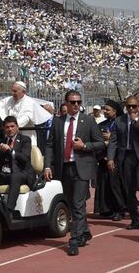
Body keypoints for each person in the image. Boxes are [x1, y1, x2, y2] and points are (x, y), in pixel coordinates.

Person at [44, 90, 104, 256]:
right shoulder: (58, 122)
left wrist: (84, 146)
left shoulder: (89, 121)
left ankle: (74, 240)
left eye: (78, 102)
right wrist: (47, 166)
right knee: (72, 205)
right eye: (73, 102)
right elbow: (50, 145)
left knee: (77, 205)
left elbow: (100, 143)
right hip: (64, 168)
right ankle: (84, 231)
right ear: (66, 103)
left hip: (82, 168)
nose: (76, 105)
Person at [107, 96, 139, 232]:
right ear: (125, 107)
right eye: (129, 106)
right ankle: (135, 220)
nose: (131, 109)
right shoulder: (119, 121)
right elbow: (113, 141)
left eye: (134, 106)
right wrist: (110, 158)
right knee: (129, 190)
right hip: (126, 157)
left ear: (138, 106)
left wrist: (136, 121)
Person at [0, 116, 36, 212]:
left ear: (17, 127)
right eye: (7, 127)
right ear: (4, 129)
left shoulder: (25, 139)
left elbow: (25, 158)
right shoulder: (2, 142)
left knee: (15, 177)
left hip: (23, 172)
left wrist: (10, 150)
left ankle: (9, 210)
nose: (10, 129)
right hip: (6, 172)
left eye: (12, 126)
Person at [0, 81, 50, 146]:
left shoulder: (29, 102)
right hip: (11, 137)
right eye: (12, 91)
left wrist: (13, 126)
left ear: (23, 92)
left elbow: (26, 118)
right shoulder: (9, 100)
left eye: (15, 91)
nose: (12, 93)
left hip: (26, 137)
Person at [94, 100, 126, 221]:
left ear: (115, 111)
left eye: (108, 110)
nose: (105, 112)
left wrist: (111, 137)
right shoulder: (102, 124)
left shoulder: (122, 123)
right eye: (104, 109)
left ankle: (120, 209)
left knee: (115, 185)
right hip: (103, 158)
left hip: (118, 158)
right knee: (104, 184)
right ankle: (106, 209)